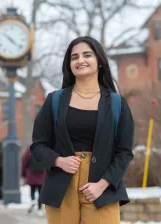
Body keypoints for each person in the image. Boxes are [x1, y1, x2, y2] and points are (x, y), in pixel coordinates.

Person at [30, 36, 134, 223]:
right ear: (69, 64)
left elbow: (124, 152)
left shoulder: (117, 103)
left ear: (99, 61)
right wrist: (58, 161)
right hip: (61, 189)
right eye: (74, 57)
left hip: (102, 190)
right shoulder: (55, 100)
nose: (80, 61)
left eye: (87, 55)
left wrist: (102, 184)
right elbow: (38, 146)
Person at [21, 146, 46, 216]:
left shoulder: (29, 149)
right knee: (40, 192)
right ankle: (40, 209)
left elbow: (24, 162)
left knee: (32, 189)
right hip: (41, 174)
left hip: (32, 173)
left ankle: (33, 200)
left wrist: (23, 174)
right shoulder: (43, 148)